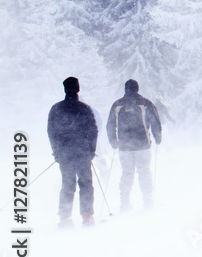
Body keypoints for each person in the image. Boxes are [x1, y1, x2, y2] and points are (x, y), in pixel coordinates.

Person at [47, 77, 98, 228]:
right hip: (82, 152)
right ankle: (87, 216)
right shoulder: (85, 108)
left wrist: (56, 151)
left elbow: (51, 132)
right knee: (86, 184)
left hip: (65, 154)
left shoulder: (56, 109)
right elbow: (93, 131)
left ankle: (64, 218)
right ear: (78, 89)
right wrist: (91, 151)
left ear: (64, 89)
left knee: (67, 185)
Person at [106, 79, 162, 212]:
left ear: (125, 89)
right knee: (144, 171)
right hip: (143, 145)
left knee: (127, 173)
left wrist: (113, 141)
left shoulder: (118, 105)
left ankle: (124, 201)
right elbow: (155, 121)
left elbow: (110, 125)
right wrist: (158, 137)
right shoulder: (145, 103)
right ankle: (147, 200)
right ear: (137, 89)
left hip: (124, 146)